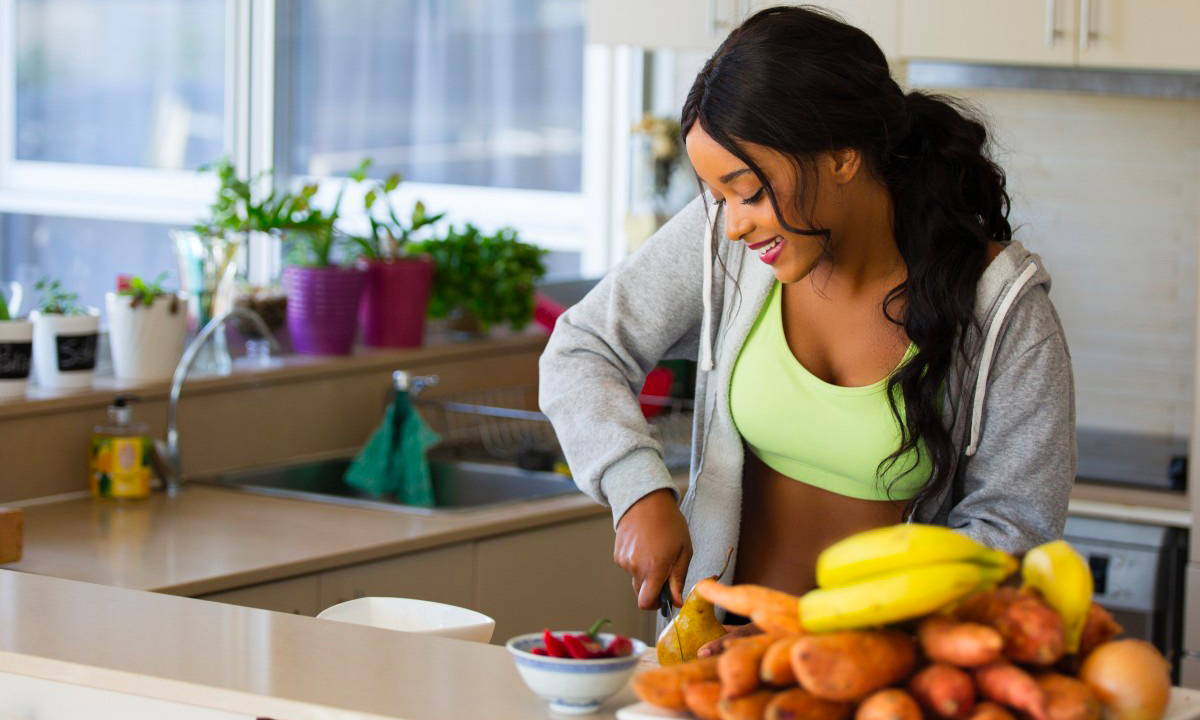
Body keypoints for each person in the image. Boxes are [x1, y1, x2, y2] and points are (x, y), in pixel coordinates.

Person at [539, 5, 1075, 637]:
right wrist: (639, 491)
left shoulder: (1003, 311)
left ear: (843, 158)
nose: (733, 223)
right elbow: (582, 347)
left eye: (750, 191)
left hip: (878, 679)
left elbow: (1014, 527)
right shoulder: (727, 244)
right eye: (719, 197)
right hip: (712, 658)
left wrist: (808, 644)